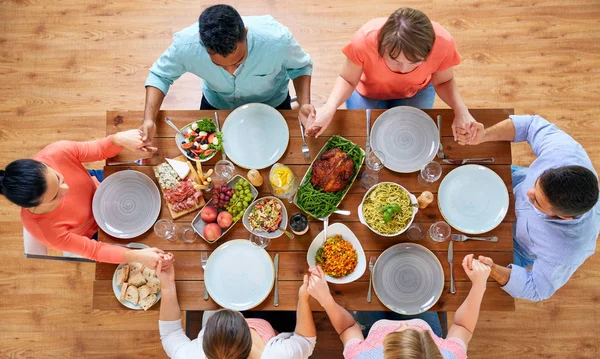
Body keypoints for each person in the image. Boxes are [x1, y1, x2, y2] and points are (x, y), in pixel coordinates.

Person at [456, 115, 600, 301]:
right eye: (537, 184)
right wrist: (485, 135)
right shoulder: (565, 153)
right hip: (510, 182)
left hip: (515, 244)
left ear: (564, 218)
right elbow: (532, 125)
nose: (527, 194)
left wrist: (493, 269)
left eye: (536, 201)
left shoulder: (567, 250)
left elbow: (537, 289)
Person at [141, 4, 314, 143]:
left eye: (239, 62)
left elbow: (300, 67)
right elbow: (160, 75)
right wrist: (149, 119)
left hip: (272, 103)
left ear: (245, 33)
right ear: (202, 43)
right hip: (217, 104)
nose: (232, 71)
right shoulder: (187, 45)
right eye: (220, 66)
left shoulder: (277, 39)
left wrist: (304, 103)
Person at [0, 129, 168, 268]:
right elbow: (95, 251)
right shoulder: (46, 231)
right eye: (55, 196)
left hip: (99, 185)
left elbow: (100, 149)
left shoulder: (56, 152)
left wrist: (119, 139)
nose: (66, 189)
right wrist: (135, 256)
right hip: (96, 230)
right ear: (34, 206)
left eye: (60, 179)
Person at [302, 7, 476, 140]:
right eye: (395, 60)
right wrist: (330, 107)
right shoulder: (364, 39)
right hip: (368, 92)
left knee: (407, 134)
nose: (404, 70)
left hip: (416, 90)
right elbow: (347, 79)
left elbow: (443, 82)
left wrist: (461, 109)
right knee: (368, 134)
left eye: (414, 62)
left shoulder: (443, 43)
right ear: (381, 46)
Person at [306, 255, 490, 358]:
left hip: (372, 330)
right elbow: (463, 327)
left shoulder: (361, 356)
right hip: (421, 318)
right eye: (421, 334)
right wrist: (479, 284)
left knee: (361, 293)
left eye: (400, 331)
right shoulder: (451, 355)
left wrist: (325, 299)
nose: (405, 324)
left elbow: (347, 328)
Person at [157, 259, 317, 359]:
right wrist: (303, 299)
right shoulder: (280, 355)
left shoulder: (189, 356)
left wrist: (167, 286)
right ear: (248, 340)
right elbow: (305, 341)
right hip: (275, 327)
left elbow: (170, 334)